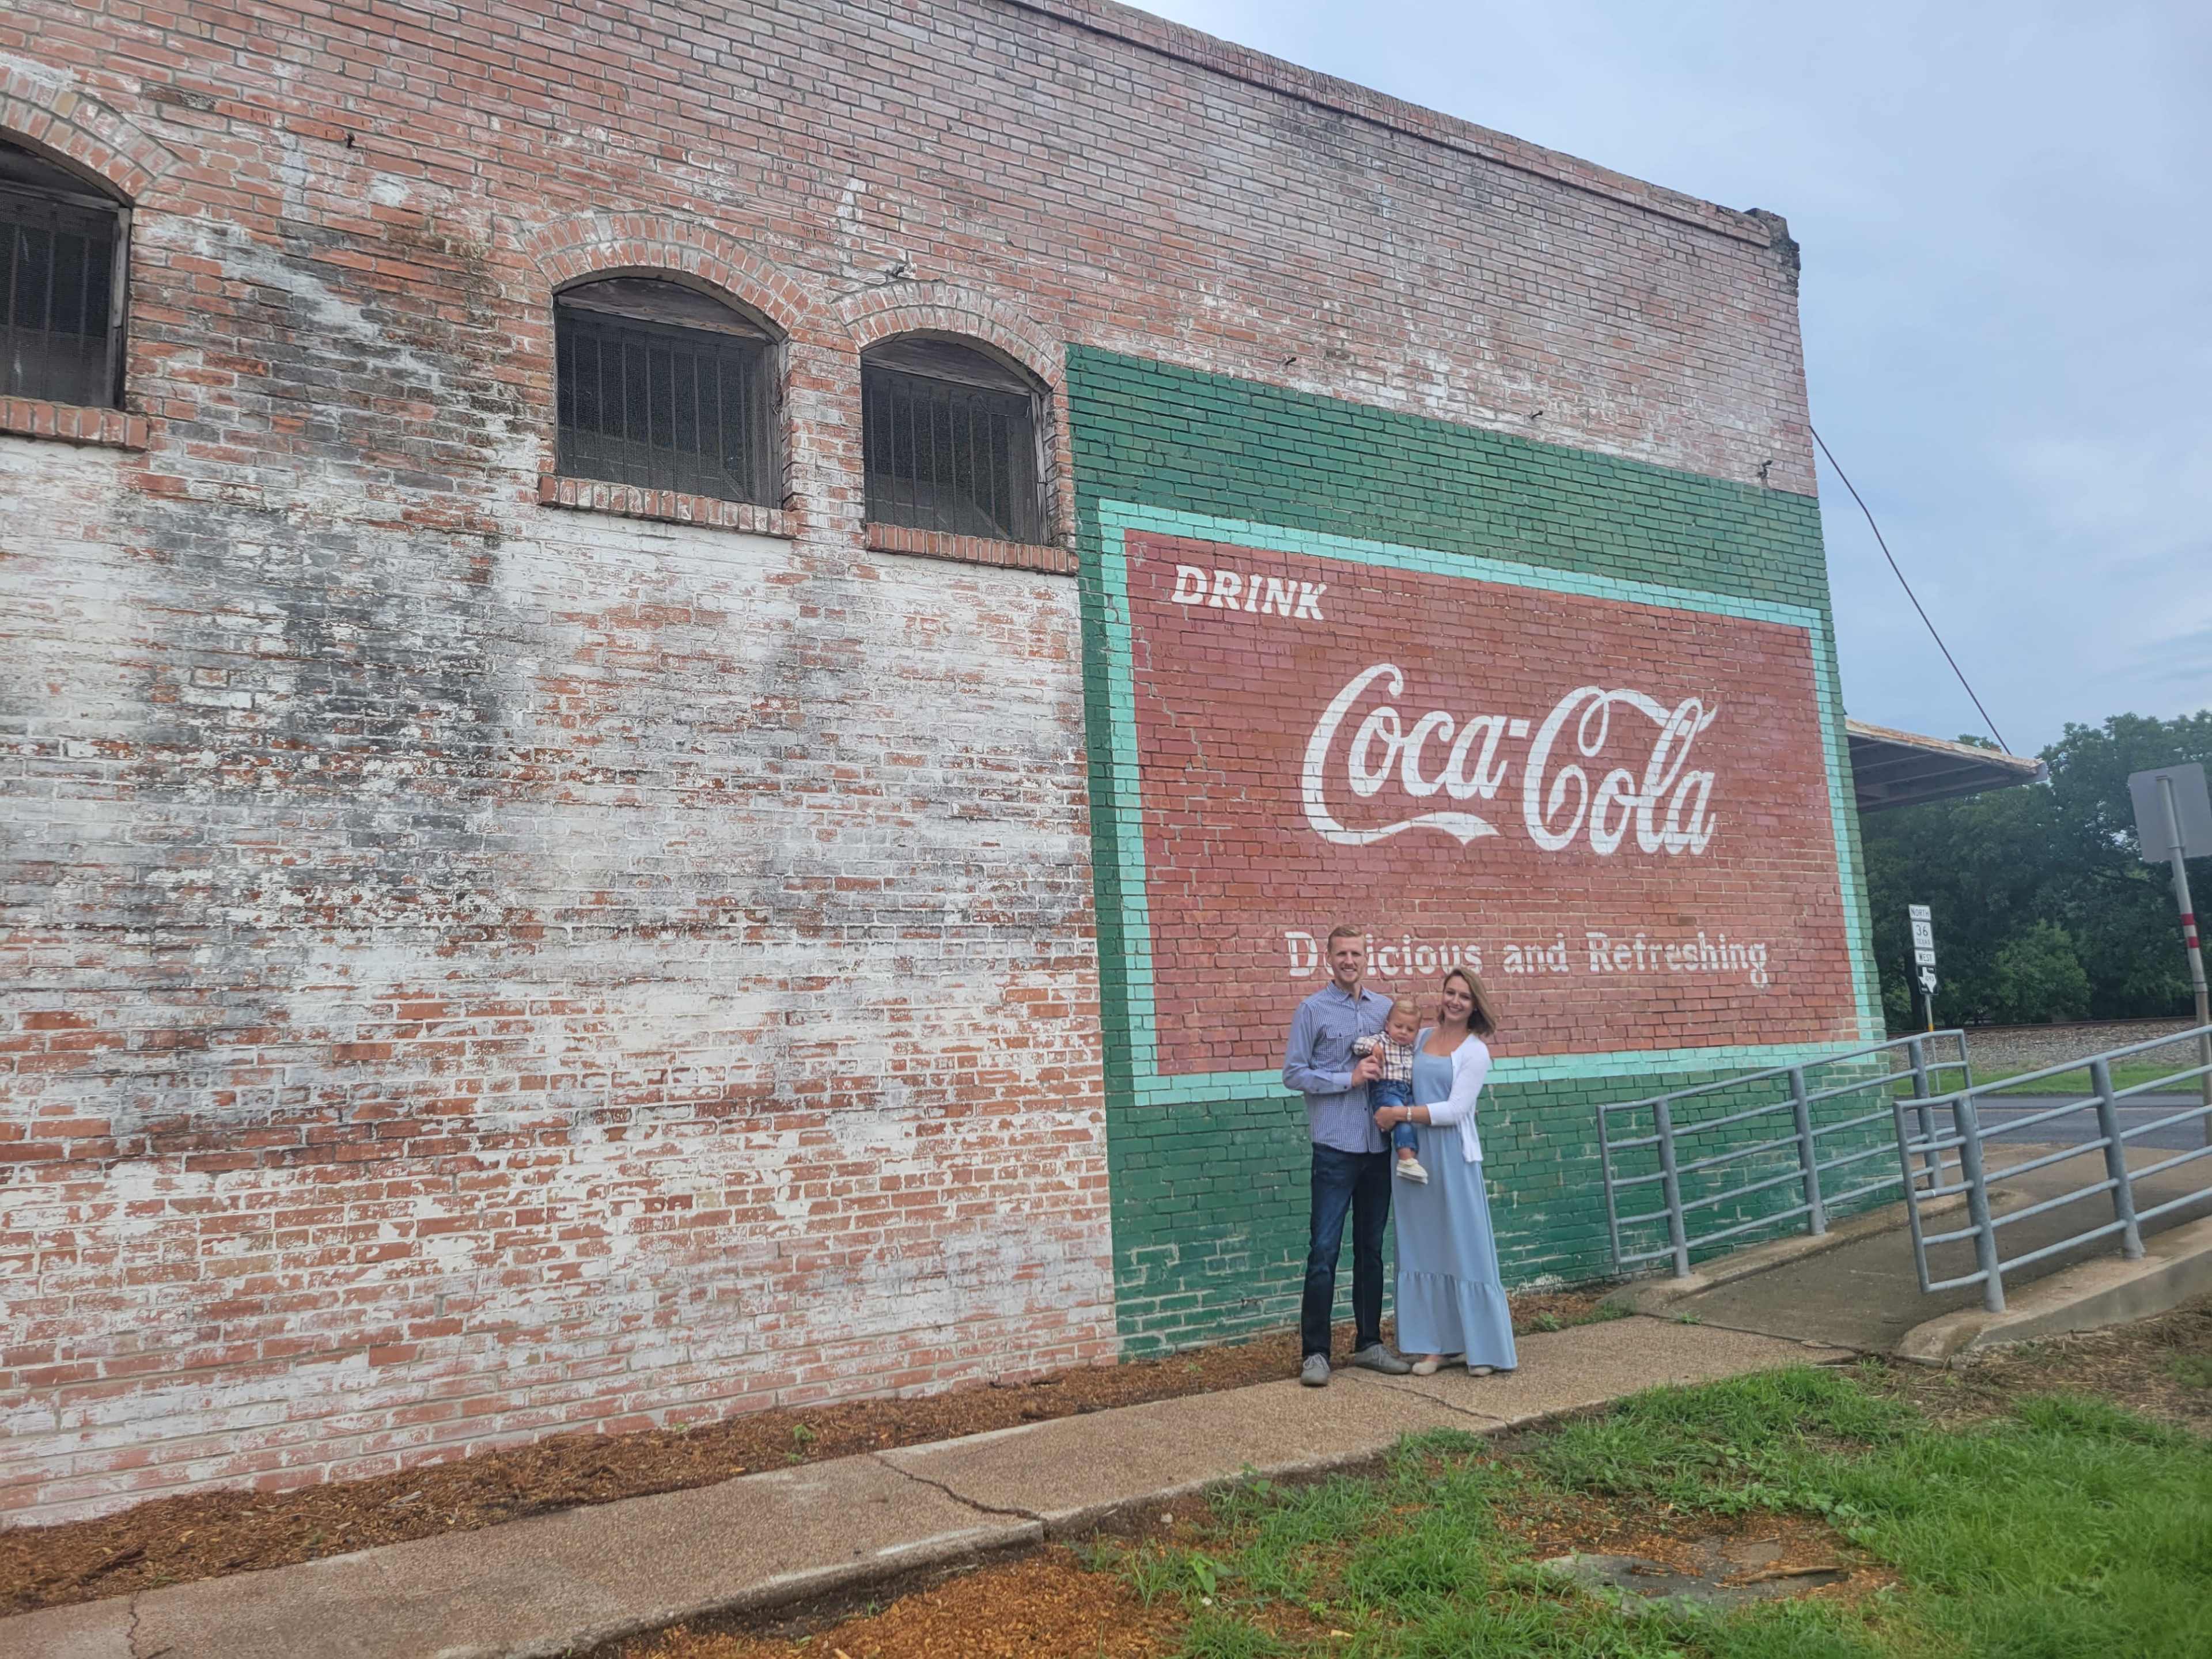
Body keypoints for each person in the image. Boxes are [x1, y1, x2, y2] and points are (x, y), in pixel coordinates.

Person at [1282, 925, 1414, 1387]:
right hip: (1335, 1148)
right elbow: (1293, 1074)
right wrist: (1347, 1079)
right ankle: (1316, 1353)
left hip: (1377, 1149)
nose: (1349, 960)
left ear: (1365, 957)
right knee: (1323, 1251)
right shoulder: (1312, 1010)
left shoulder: (1384, 1010)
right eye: (1341, 953)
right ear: (1329, 958)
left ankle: (1369, 1344)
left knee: (1371, 1250)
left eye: (1356, 953)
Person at [1370, 966, 1518, 1377]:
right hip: (1413, 1155)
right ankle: (1434, 1347)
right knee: (1424, 1246)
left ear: (1476, 1006)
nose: (1455, 1001)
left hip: (1453, 1155)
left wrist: (1399, 1113)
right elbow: (1391, 1063)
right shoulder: (1419, 1038)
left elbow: (1456, 1110)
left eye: (1464, 996)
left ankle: (1483, 1348)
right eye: (1450, 992)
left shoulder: (1475, 1051)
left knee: (1466, 1246)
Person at [1352, 993, 1429, 1183]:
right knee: (1400, 1116)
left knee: (1411, 1117)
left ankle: (1411, 1155)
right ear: (1388, 1026)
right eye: (1398, 1026)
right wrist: (1373, 1047)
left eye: (1410, 1029)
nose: (1403, 1032)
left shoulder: (1412, 1049)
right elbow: (1357, 1044)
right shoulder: (1383, 1041)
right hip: (1386, 1089)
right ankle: (1405, 1160)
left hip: (1407, 1090)